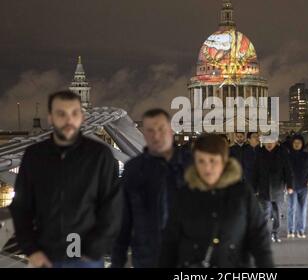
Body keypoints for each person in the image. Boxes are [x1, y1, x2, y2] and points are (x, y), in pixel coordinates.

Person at [10, 90, 122, 268]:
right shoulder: (34, 156)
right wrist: (31, 250)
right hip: (45, 257)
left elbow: (113, 207)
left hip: (86, 258)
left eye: (74, 113)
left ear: (82, 117)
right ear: (50, 118)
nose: (69, 120)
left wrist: (92, 250)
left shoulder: (100, 155)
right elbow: (21, 207)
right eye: (61, 113)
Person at [159, 134, 273, 268]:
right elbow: (169, 243)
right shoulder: (185, 194)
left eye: (213, 160)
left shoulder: (241, 193)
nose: (207, 168)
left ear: (224, 162)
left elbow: (259, 238)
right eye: (201, 161)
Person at [111, 109, 191, 268]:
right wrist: (117, 262)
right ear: (144, 133)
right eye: (150, 130)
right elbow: (124, 220)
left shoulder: (193, 165)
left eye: (161, 129)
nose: (156, 135)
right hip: (148, 256)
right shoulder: (133, 170)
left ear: (170, 130)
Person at [252, 138, 292, 243]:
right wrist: (254, 187)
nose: (269, 144)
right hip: (263, 188)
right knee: (264, 213)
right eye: (267, 142)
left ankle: (275, 233)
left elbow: (288, 170)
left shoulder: (282, 153)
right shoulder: (259, 154)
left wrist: (289, 185)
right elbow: (255, 171)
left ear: (276, 142)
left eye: (271, 142)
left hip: (278, 187)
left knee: (277, 213)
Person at [286, 134, 308, 238]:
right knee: (291, 208)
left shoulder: (307, 156)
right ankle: (290, 230)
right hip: (291, 186)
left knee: (302, 209)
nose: (297, 144)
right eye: (295, 143)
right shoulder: (288, 156)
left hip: (303, 185)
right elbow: (285, 172)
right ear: (292, 144)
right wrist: (287, 184)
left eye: (299, 143)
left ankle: (301, 230)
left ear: (302, 144)